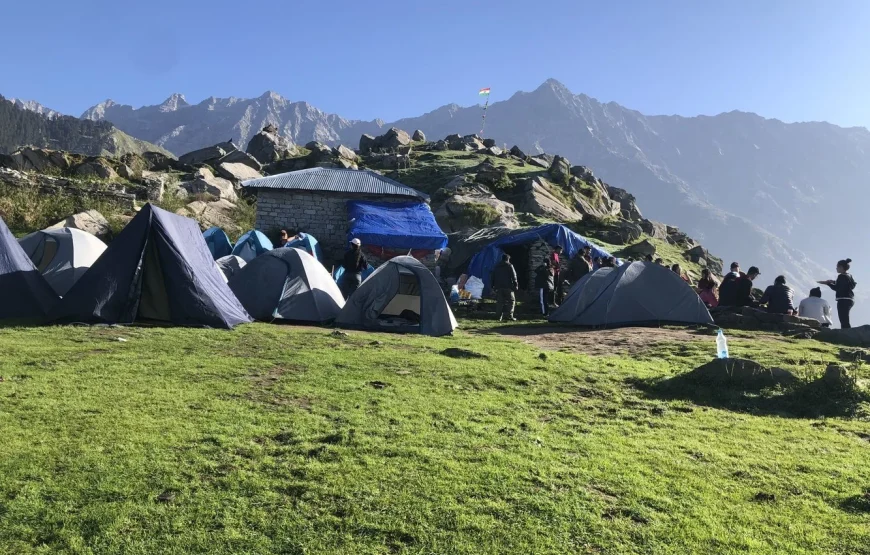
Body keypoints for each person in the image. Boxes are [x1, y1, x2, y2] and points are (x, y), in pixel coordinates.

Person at [820, 258, 857, 329]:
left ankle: (847, 335)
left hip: (843, 300)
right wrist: (833, 281)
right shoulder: (849, 275)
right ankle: (847, 333)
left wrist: (828, 284)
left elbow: (837, 288)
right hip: (850, 299)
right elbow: (848, 285)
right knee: (845, 318)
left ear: (841, 267)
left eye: (837, 267)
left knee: (843, 320)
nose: (836, 268)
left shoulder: (841, 276)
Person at [492, 254, 518, 321]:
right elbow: (514, 276)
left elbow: (492, 276)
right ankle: (509, 316)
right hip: (508, 287)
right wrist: (516, 285)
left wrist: (493, 286)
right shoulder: (510, 266)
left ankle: (498, 317)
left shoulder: (496, 266)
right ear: (508, 259)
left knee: (500, 302)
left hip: (499, 287)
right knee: (511, 301)